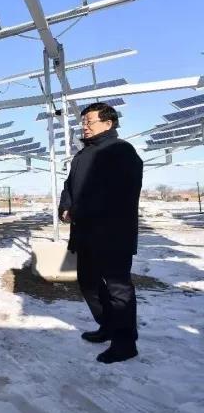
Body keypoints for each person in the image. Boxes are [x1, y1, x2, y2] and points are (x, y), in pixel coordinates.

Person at [59, 102, 143, 364]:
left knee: (118, 289)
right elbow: (69, 187)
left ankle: (125, 343)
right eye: (83, 122)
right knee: (88, 283)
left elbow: (120, 192)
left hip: (113, 233)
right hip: (85, 233)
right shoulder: (82, 155)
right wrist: (65, 206)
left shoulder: (121, 151)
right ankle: (108, 325)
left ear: (108, 123)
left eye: (89, 121)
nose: (84, 126)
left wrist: (79, 210)